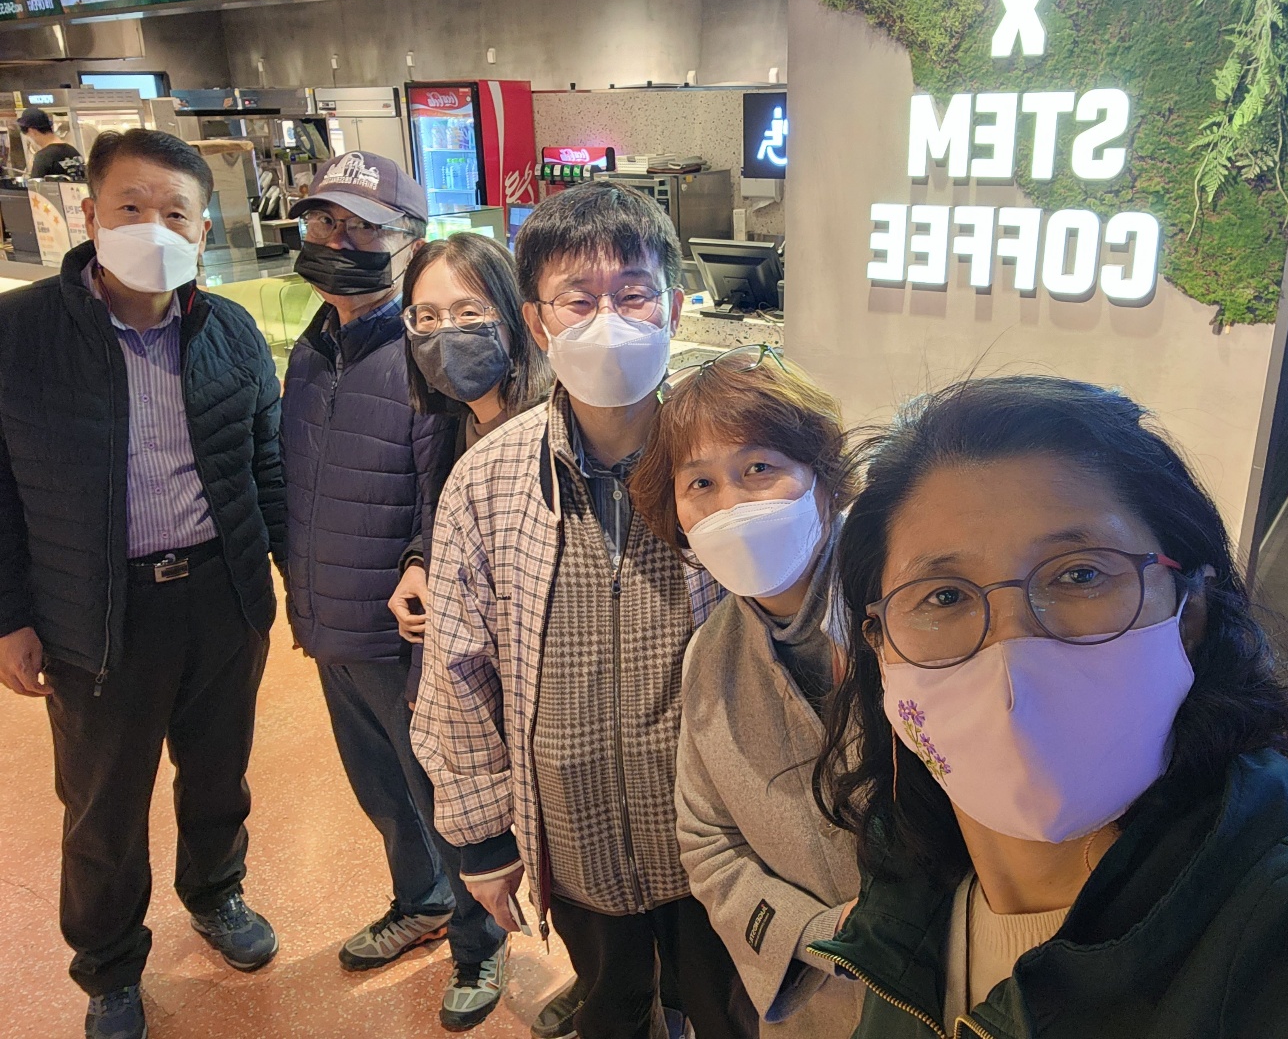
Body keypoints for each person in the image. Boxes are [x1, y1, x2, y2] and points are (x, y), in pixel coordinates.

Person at [808, 374, 1288, 1038]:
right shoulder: (906, 890)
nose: (1011, 646)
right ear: (879, 647)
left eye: (1080, 574)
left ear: (1189, 608)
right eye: (944, 596)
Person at [411, 181, 758, 1039]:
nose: (608, 319)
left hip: (719, 833)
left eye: (633, 294)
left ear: (673, 307)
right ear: (537, 322)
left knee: (729, 1011)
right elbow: (456, 671)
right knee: (610, 1007)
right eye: (578, 299)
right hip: (574, 832)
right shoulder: (486, 480)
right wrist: (482, 839)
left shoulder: (733, 467)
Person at [0, 128, 285, 1039]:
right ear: (90, 215)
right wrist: (9, 616)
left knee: (218, 773)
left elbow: (268, 466)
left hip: (220, 595)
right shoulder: (20, 333)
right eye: (131, 207)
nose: (153, 228)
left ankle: (217, 894)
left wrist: (297, 586)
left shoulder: (229, 331)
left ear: (202, 231)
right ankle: (110, 967)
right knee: (102, 805)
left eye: (176, 213)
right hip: (95, 611)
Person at [280, 153, 510, 1032]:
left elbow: (442, 496)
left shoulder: (426, 360)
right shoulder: (310, 349)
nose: (338, 241)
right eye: (325, 221)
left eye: (364, 227)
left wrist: (422, 582)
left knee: (444, 800)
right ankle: (420, 903)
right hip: (330, 626)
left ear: (406, 243)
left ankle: (480, 944)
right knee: (382, 794)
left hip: (406, 639)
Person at [628, 345, 865, 1037]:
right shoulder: (710, 657)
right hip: (818, 1000)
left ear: (824, 479)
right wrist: (819, 934)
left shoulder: (908, 612)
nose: (730, 504)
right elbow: (707, 841)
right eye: (700, 483)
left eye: (758, 468)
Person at [386, 231, 553, 647]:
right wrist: (420, 562)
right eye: (426, 317)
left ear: (517, 318)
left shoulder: (553, 432)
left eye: (468, 313)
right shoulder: (451, 426)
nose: (446, 332)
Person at [18, 107, 85, 179]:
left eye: (27, 135)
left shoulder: (43, 157)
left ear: (32, 131)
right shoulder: (72, 151)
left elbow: (36, 185)